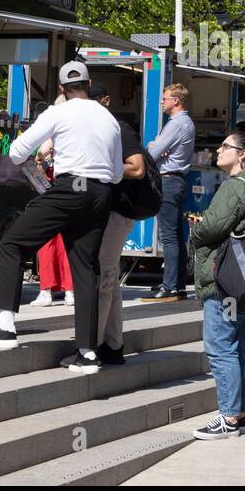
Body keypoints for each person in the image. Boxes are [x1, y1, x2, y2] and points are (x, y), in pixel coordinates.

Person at [0, 61, 122, 374]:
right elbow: (118, 172)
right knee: (86, 268)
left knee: (12, 244)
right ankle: (88, 352)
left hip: (70, 188)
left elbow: (16, 151)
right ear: (89, 83)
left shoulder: (58, 111)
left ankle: (5, 325)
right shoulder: (109, 118)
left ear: (63, 89)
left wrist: (47, 155)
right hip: (101, 194)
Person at [189, 131, 245, 439]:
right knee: (237, 345)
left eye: (225, 146)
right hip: (243, 284)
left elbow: (213, 228)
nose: (218, 149)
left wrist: (197, 231)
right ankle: (238, 413)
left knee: (220, 346)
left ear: (242, 155)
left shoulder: (234, 187)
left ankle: (228, 417)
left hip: (224, 283)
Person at [90, 82, 146, 365]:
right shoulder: (96, 127)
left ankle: (95, 343)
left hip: (119, 211)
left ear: (106, 100)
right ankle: (113, 344)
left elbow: (136, 167)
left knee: (104, 275)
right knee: (108, 277)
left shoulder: (118, 129)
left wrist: (102, 166)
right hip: (110, 211)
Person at [144, 83, 196, 302]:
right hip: (177, 180)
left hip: (169, 180)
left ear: (176, 100)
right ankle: (178, 283)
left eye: (165, 98)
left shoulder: (176, 124)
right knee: (175, 234)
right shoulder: (186, 122)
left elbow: (153, 152)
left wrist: (152, 146)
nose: (162, 101)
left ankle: (170, 286)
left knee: (169, 235)